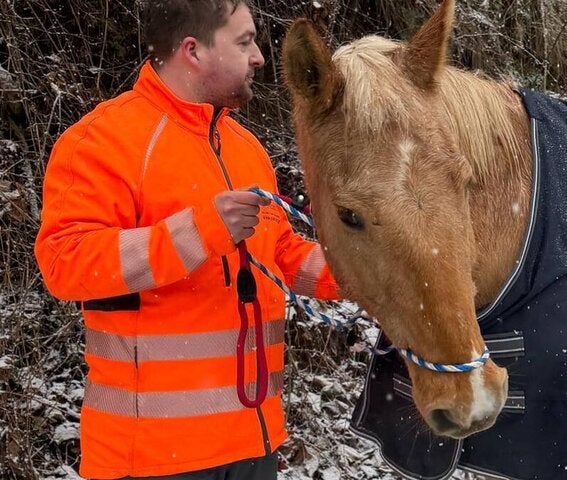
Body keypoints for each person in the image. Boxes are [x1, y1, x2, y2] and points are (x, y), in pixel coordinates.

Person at [34, 1, 339, 478]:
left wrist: (371, 274)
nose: (259, 57)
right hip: (151, 458)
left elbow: (279, 254)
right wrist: (200, 232)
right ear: (192, 50)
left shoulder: (246, 148)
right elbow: (65, 263)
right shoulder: (102, 141)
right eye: (244, 42)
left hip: (254, 441)